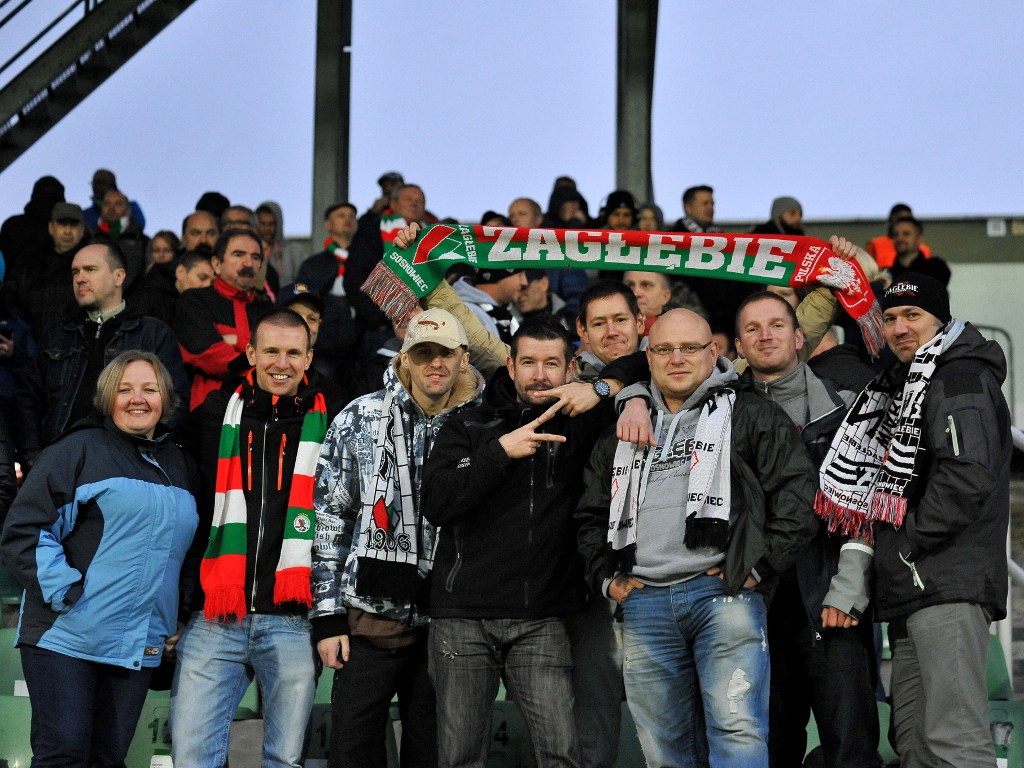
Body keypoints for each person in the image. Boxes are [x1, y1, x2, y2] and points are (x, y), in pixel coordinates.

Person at [577, 308, 818, 767]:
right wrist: (607, 579)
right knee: (662, 748)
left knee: (737, 732)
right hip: (643, 601)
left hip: (723, 595)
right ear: (649, 358)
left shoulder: (750, 412)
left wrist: (759, 566)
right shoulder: (624, 428)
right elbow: (589, 514)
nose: (677, 358)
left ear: (714, 352)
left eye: (690, 347)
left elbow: (798, 492)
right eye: (665, 349)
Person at [816, 271, 1010, 768]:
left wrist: (905, 544)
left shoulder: (958, 377)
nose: (900, 327)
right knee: (917, 742)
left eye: (913, 315)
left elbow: (967, 477)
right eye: (891, 318)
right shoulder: (903, 383)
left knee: (954, 741)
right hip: (914, 586)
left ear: (940, 319)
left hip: (946, 582)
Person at [422, 318, 609, 768]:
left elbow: (649, 363)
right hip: (462, 618)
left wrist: (605, 389)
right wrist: (499, 452)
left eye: (551, 363)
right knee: (460, 759)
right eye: (528, 362)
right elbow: (436, 503)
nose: (539, 375)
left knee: (561, 756)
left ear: (571, 368)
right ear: (510, 365)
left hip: (541, 618)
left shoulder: (585, 426)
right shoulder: (468, 423)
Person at [1, 351, 198, 766]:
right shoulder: (77, 449)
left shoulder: (180, 463)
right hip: (67, 635)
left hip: (139, 641)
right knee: (64, 754)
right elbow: (25, 530)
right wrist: (67, 593)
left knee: (108, 759)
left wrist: (177, 614)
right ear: (108, 397)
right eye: (124, 389)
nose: (137, 399)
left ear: (166, 398)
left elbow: (186, 551)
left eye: (149, 389)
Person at [311, 308, 484, 768]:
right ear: (404, 358)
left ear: (464, 359)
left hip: (450, 625)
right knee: (351, 756)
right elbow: (330, 519)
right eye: (423, 353)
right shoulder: (359, 417)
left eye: (445, 353)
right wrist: (328, 618)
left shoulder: (485, 424)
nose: (435, 363)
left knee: (432, 758)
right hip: (368, 622)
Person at [171, 309, 340, 768]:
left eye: (293, 353)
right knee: (191, 758)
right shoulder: (213, 415)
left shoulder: (334, 421)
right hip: (216, 615)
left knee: (284, 761)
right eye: (271, 351)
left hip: (292, 620)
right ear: (250, 353)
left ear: (309, 359)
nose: (281, 364)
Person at [733, 291, 879, 768]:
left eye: (777, 325)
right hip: (753, 602)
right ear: (738, 347)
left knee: (850, 750)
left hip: (832, 599)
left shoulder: (848, 409)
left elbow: (865, 506)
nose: (765, 336)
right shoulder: (717, 414)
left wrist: (849, 589)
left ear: (800, 338)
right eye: (752, 329)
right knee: (768, 750)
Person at [13, 242, 189, 467]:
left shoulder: (153, 334)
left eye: (90, 269)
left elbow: (175, 400)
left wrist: (144, 455)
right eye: (75, 272)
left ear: (119, 277)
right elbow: (28, 399)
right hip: (60, 464)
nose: (80, 278)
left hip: (129, 464)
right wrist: (33, 457)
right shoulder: (56, 335)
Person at [174, 228, 272, 409]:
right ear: (217, 264)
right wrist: (261, 358)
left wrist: (236, 341)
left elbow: (280, 359)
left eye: (256, 257)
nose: (249, 263)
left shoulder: (269, 311)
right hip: (209, 412)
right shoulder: (193, 301)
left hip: (260, 412)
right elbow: (213, 360)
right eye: (238, 254)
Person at [293, 203, 361, 379]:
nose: (348, 219)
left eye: (352, 216)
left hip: (359, 351)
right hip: (322, 350)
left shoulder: (367, 263)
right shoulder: (313, 264)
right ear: (328, 224)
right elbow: (301, 304)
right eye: (341, 215)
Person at [4, 201, 88, 340]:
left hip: (79, 345)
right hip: (31, 345)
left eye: (73, 225)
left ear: (82, 230)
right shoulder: (28, 262)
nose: (68, 231)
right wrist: (24, 337)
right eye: (62, 224)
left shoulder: (95, 264)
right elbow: (11, 301)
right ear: (51, 227)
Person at [508, 196, 587, 313]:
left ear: (538, 219)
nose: (515, 220)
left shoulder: (561, 252)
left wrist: (563, 321)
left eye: (522, 214)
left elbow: (578, 297)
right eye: (511, 216)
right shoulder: (506, 258)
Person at [132, 249, 214, 327]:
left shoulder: (206, 304)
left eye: (213, 282)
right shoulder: (150, 298)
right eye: (202, 277)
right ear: (180, 272)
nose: (208, 285)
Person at [92, 188, 148, 294]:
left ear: (128, 210)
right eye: (107, 203)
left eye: (118, 204)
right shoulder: (90, 241)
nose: (111, 208)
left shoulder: (143, 241)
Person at [451, 266, 527, 345]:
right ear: (499, 274)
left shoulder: (499, 314)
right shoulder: (466, 313)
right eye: (520, 275)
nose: (524, 282)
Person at [888, 216, 950, 285]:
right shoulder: (886, 275)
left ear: (919, 238)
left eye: (906, 234)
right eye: (895, 234)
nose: (900, 238)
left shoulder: (937, 268)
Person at [258, 201, 307, 284]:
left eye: (271, 224)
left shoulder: (294, 249)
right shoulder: (252, 251)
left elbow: (303, 283)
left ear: (279, 224)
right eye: (263, 224)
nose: (267, 229)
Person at [623, 271, 671, 335]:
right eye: (629, 285)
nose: (635, 293)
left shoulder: (675, 332)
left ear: (665, 296)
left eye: (646, 285)